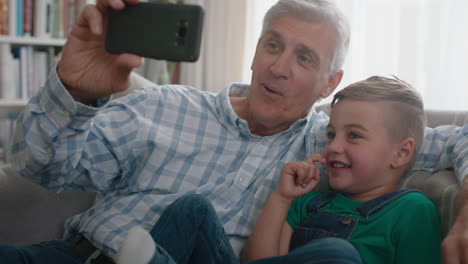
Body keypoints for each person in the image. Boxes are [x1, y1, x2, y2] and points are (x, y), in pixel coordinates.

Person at [2, 0, 466, 263]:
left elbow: (455, 139)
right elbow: (37, 171)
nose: (279, 67)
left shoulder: (330, 146)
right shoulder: (160, 104)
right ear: (255, 51)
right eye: (272, 45)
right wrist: (74, 93)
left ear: (329, 83)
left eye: (304, 58)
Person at [115, 76, 441, 264]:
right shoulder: (310, 202)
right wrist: (282, 198)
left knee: (336, 255)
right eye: (331, 134)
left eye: (353, 135)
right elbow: (258, 261)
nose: (333, 146)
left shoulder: (412, 210)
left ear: (401, 153)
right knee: (193, 208)